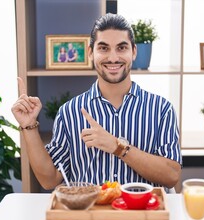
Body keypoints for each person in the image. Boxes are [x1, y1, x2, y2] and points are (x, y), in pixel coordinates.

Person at [11, 13, 182, 190]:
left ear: (134, 52)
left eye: (122, 48)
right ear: (91, 52)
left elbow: (171, 176)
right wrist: (29, 126)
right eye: (104, 48)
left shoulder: (161, 109)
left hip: (144, 214)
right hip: (89, 214)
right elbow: (49, 179)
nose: (113, 57)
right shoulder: (70, 112)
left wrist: (117, 147)